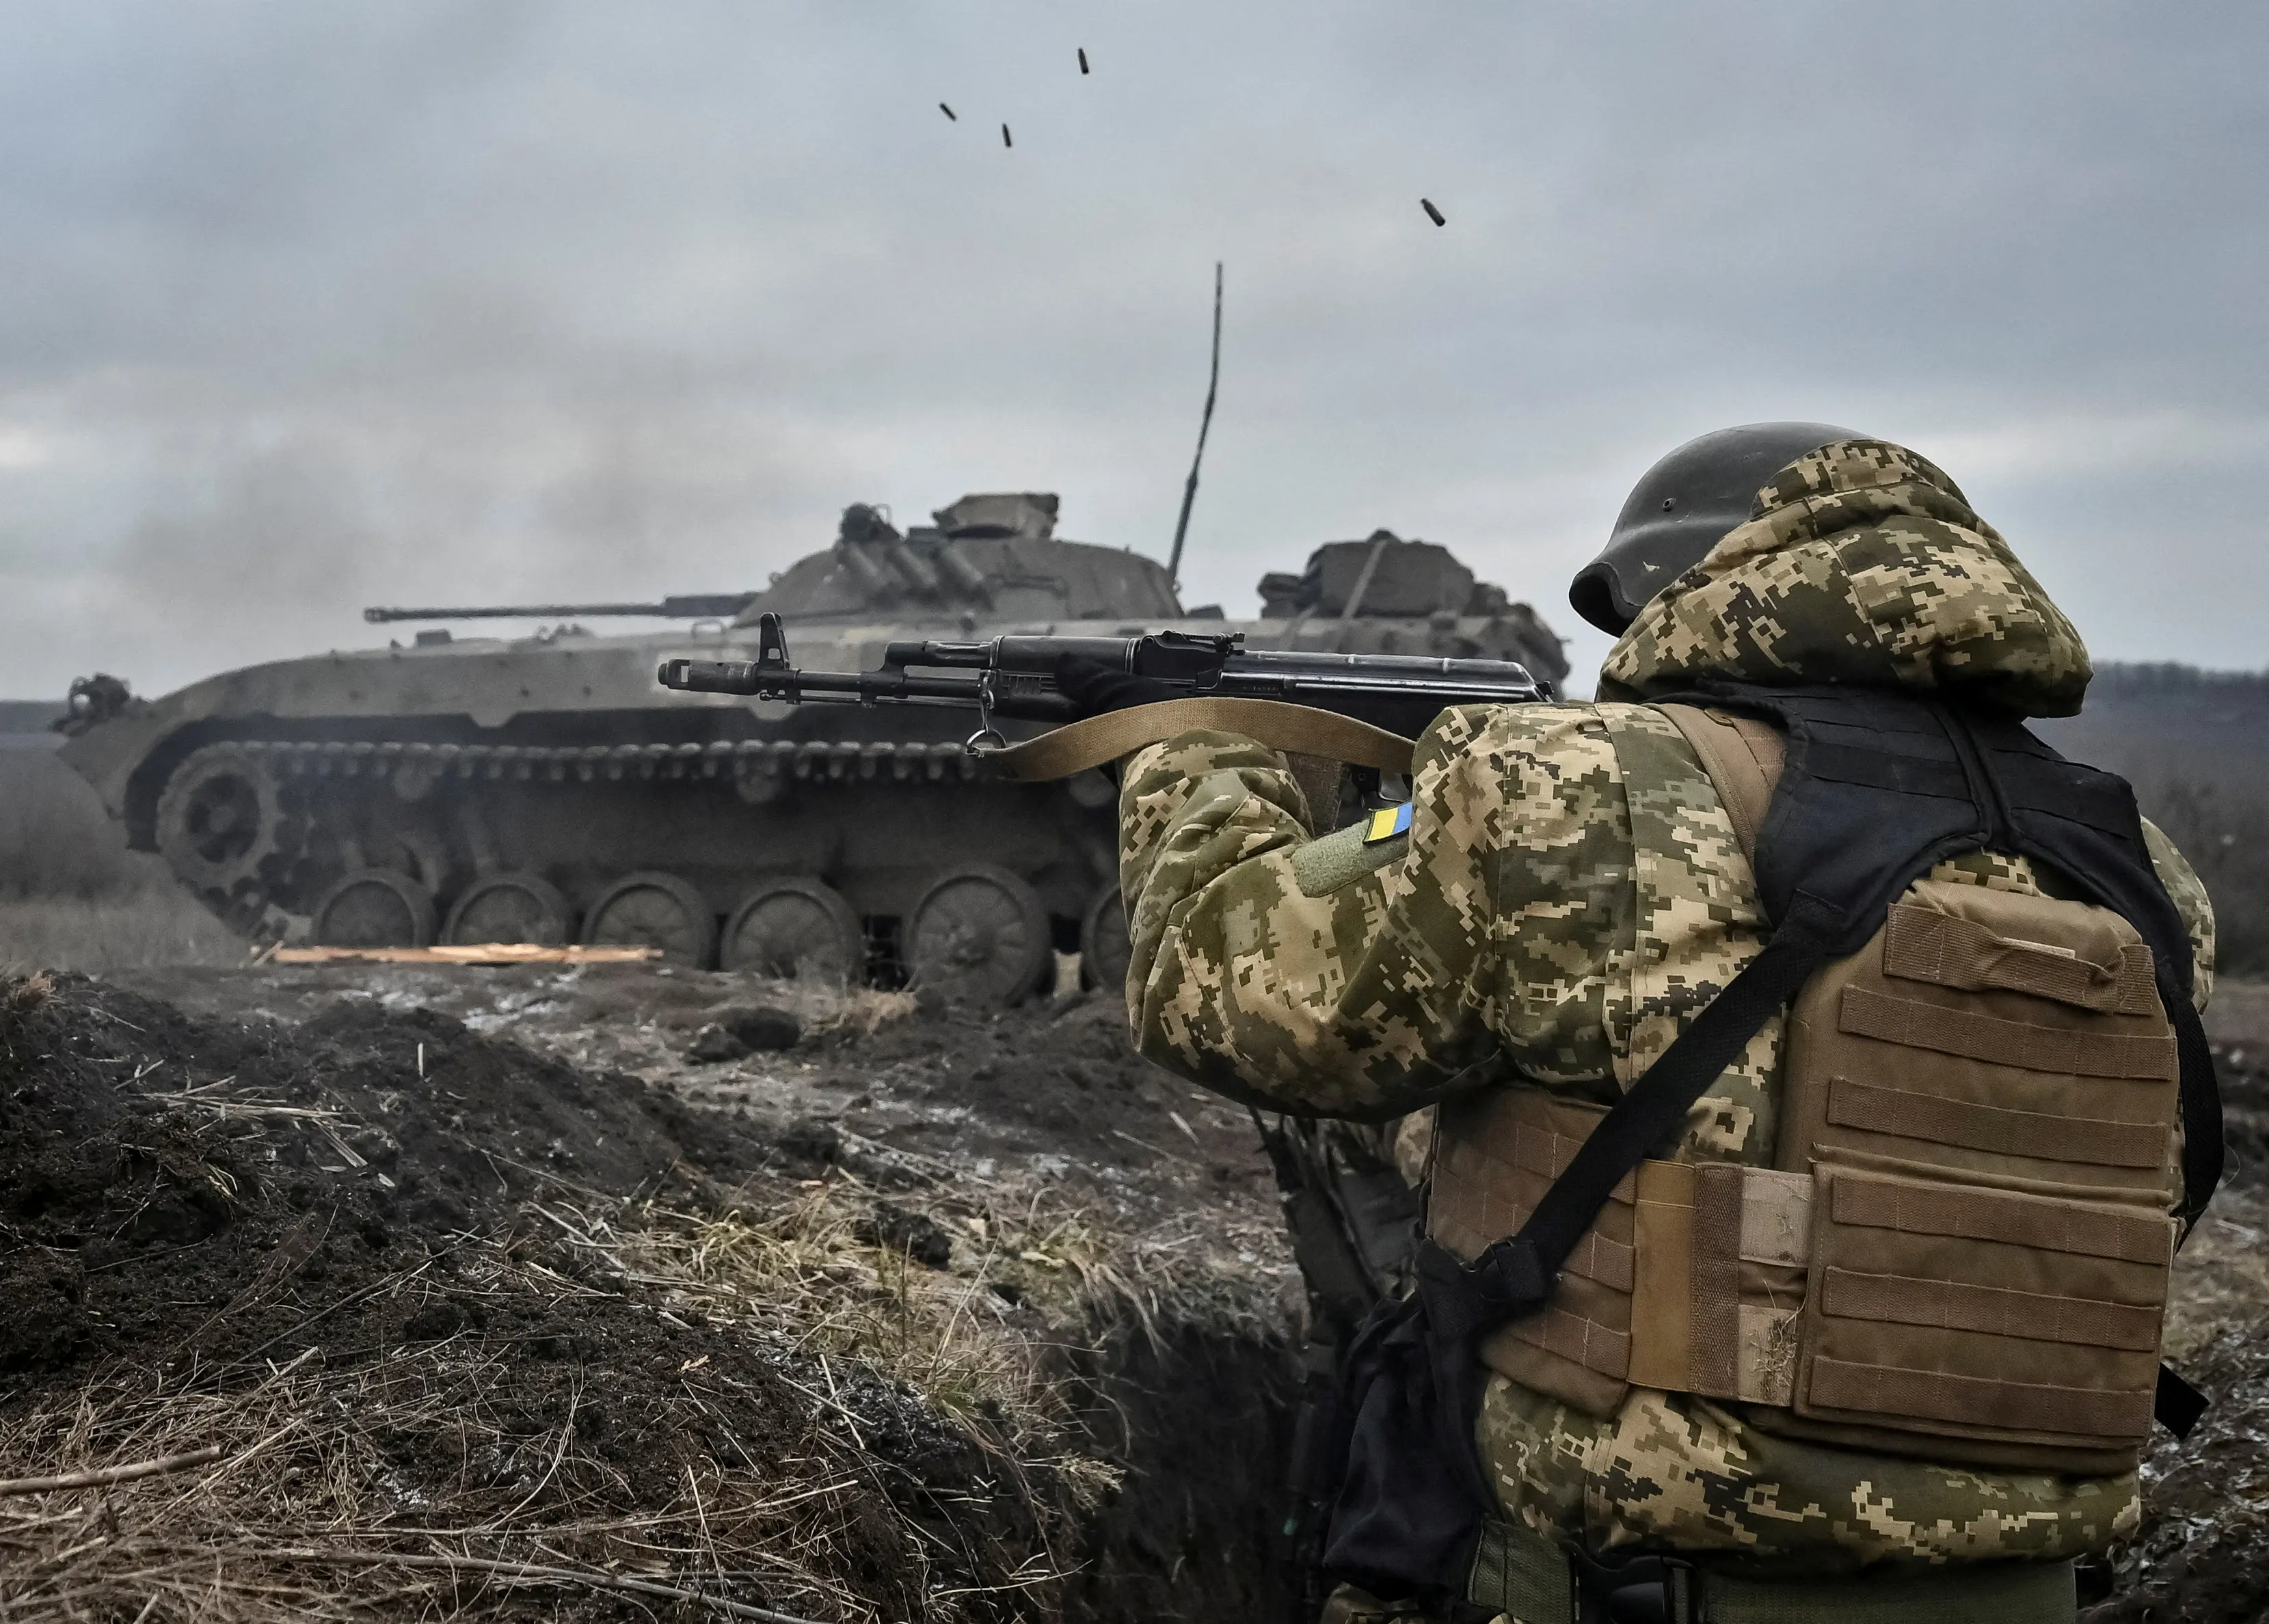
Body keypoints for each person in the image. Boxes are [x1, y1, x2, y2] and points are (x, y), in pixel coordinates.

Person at [1089, 427, 2219, 1623]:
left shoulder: (1571, 789)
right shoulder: (2143, 875)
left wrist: (1191, 750)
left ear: (1678, 594)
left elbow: (1218, 988)